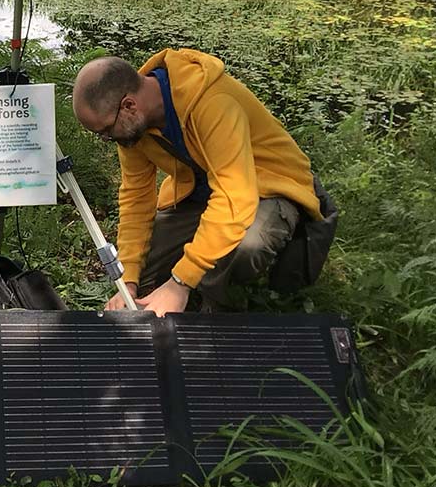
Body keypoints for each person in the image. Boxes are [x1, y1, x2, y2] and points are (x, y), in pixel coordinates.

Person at [72, 49, 338, 316]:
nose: (106, 140)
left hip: (268, 187)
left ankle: (219, 309)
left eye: (105, 131)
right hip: (205, 190)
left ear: (129, 105)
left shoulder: (213, 101)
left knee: (247, 247)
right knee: (147, 274)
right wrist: (128, 279)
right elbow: (136, 197)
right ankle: (185, 285)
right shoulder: (131, 125)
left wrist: (180, 283)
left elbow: (235, 197)